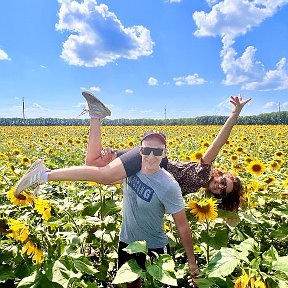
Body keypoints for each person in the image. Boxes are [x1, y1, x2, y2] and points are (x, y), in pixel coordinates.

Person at [13, 92, 251, 213]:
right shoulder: (203, 171)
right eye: (224, 181)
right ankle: (44, 174)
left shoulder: (199, 190)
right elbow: (218, 144)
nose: (219, 186)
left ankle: (96, 114)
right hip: (152, 159)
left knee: (93, 163)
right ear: (221, 173)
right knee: (104, 175)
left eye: (223, 191)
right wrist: (234, 115)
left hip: (148, 167)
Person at [116, 130, 199, 287]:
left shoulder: (169, 185)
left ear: (164, 153)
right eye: (147, 150)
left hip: (155, 248)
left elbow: (182, 225)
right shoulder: (129, 169)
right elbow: (100, 171)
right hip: (126, 242)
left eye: (157, 151)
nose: (151, 156)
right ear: (140, 150)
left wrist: (192, 263)